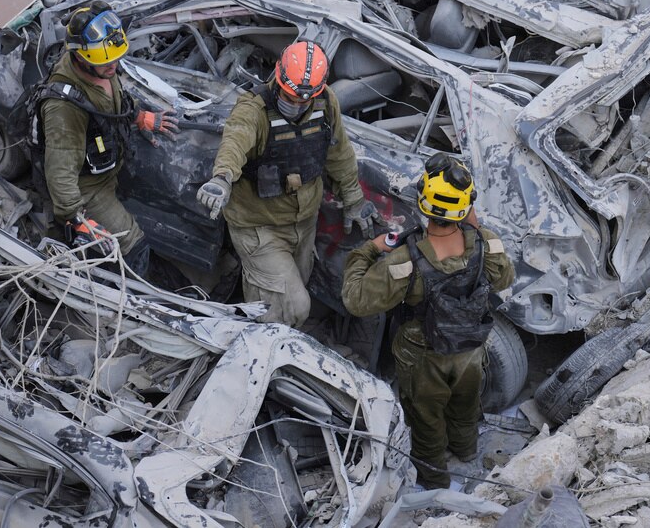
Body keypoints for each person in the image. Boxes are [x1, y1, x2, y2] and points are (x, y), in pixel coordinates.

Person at [341, 155, 514, 490]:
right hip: (470, 346)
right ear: (465, 209)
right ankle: (465, 450)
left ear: (422, 203)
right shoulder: (485, 241)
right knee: (466, 401)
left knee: (426, 416)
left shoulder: (405, 260)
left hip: (423, 353)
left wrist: (368, 251)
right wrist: (470, 220)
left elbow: (356, 299)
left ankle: (434, 480)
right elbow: (504, 278)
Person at [196, 40, 382, 327]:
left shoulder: (326, 103)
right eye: (289, 96)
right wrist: (222, 179)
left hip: (304, 223)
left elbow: (339, 152)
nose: (295, 104)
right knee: (291, 308)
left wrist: (354, 200)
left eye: (303, 100)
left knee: (293, 290)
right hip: (259, 226)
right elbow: (235, 141)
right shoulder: (254, 109)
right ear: (277, 76)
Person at [30, 0, 177, 276]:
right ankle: (132, 296)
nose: (113, 65)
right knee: (133, 244)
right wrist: (75, 218)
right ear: (81, 57)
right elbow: (60, 170)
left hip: (108, 168)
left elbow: (114, 103)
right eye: (105, 61)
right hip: (89, 188)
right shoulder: (64, 107)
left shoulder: (101, 63)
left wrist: (139, 116)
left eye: (114, 58)